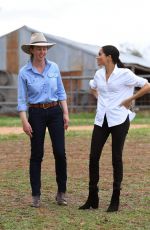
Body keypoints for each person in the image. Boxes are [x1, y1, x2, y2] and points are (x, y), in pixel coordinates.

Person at [79, 45, 150, 212]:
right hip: (101, 119)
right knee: (93, 156)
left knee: (116, 158)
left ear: (109, 57)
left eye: (99, 54)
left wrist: (130, 99)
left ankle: (115, 198)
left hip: (119, 119)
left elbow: (147, 86)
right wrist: (99, 97)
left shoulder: (124, 74)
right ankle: (92, 197)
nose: (97, 57)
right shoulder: (98, 74)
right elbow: (93, 85)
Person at [17, 32, 69, 208]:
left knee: (60, 152)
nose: (42, 52)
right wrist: (25, 121)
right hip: (36, 114)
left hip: (55, 111)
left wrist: (65, 113)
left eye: (45, 48)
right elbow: (22, 100)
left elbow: (61, 92)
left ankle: (61, 192)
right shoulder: (24, 72)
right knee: (37, 154)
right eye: (39, 49)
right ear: (31, 50)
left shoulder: (54, 67)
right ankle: (35, 195)